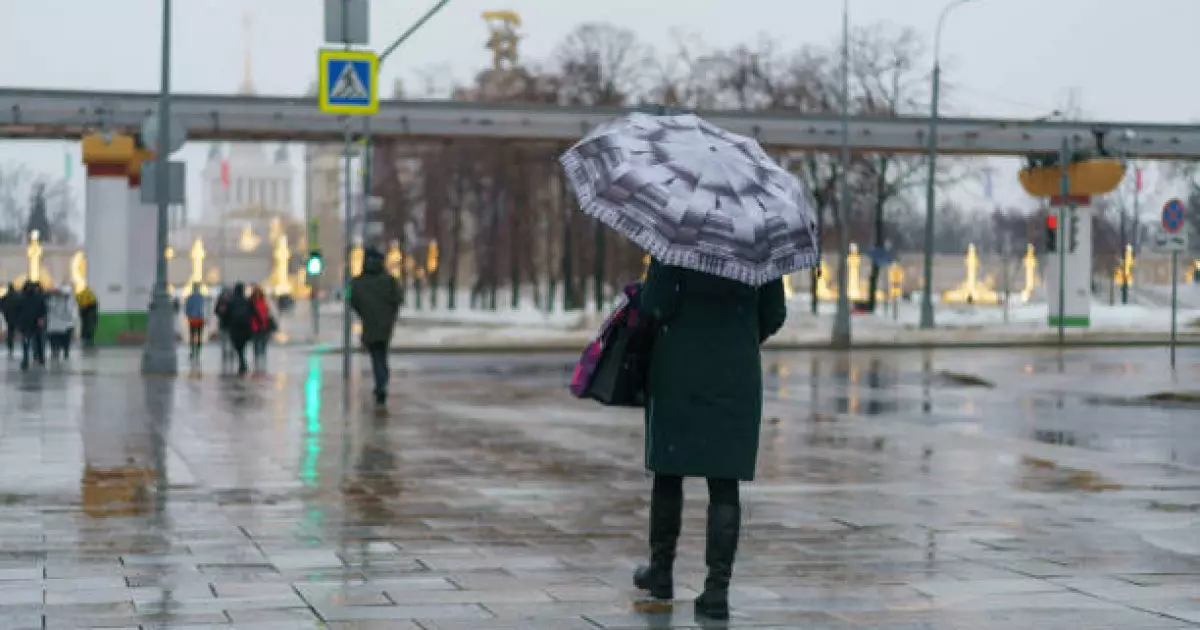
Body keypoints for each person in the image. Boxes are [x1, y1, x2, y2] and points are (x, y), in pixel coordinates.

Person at [631, 259, 787, 621]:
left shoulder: (679, 240)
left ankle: (661, 572)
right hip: (735, 372)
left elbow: (655, 303)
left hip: (678, 367)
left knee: (668, 472)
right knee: (724, 481)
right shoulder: (757, 245)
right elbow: (775, 313)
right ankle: (717, 589)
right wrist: (739, 334)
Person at [350, 247, 402, 405]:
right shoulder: (389, 280)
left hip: (369, 323)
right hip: (386, 324)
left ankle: (381, 384)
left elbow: (353, 301)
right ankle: (382, 383)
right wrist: (390, 315)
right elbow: (398, 299)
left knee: (376, 355)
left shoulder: (358, 282)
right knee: (382, 354)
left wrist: (365, 313)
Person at [218, 283, 254, 375]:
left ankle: (242, 362)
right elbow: (252, 312)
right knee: (242, 346)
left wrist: (225, 324)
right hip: (245, 327)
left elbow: (225, 314)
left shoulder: (231, 301)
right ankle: (242, 362)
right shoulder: (246, 301)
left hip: (235, 327)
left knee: (237, 346)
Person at [15, 281, 48, 371]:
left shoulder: (21, 298)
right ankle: (40, 358)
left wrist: (18, 324)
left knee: (26, 343)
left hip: (26, 324)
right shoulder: (38, 297)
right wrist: (41, 318)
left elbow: (17, 312)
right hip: (36, 323)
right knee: (39, 341)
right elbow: (44, 309)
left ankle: (26, 360)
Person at [45, 285, 77, 361]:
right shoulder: (52, 300)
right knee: (57, 343)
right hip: (55, 327)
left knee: (64, 343)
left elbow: (72, 314)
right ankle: (57, 353)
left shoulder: (70, 302)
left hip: (64, 326)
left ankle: (61, 353)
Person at [248, 285, 272, 368]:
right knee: (256, 343)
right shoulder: (251, 302)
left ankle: (262, 357)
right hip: (254, 326)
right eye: (256, 293)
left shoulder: (263, 302)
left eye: (259, 293)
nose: (258, 294)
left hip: (263, 325)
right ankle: (257, 358)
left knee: (263, 342)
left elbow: (267, 312)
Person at [183, 285, 206, 361]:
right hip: (200, 319)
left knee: (192, 335)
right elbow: (205, 308)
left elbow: (186, 308)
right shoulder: (201, 297)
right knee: (199, 336)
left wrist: (188, 315)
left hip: (192, 319)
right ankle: (198, 351)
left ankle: (193, 351)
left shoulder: (190, 298)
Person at [1, 283, 20, 357]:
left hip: (7, 318)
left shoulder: (5, 297)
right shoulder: (17, 297)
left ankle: (10, 348)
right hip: (16, 318)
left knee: (9, 334)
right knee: (16, 333)